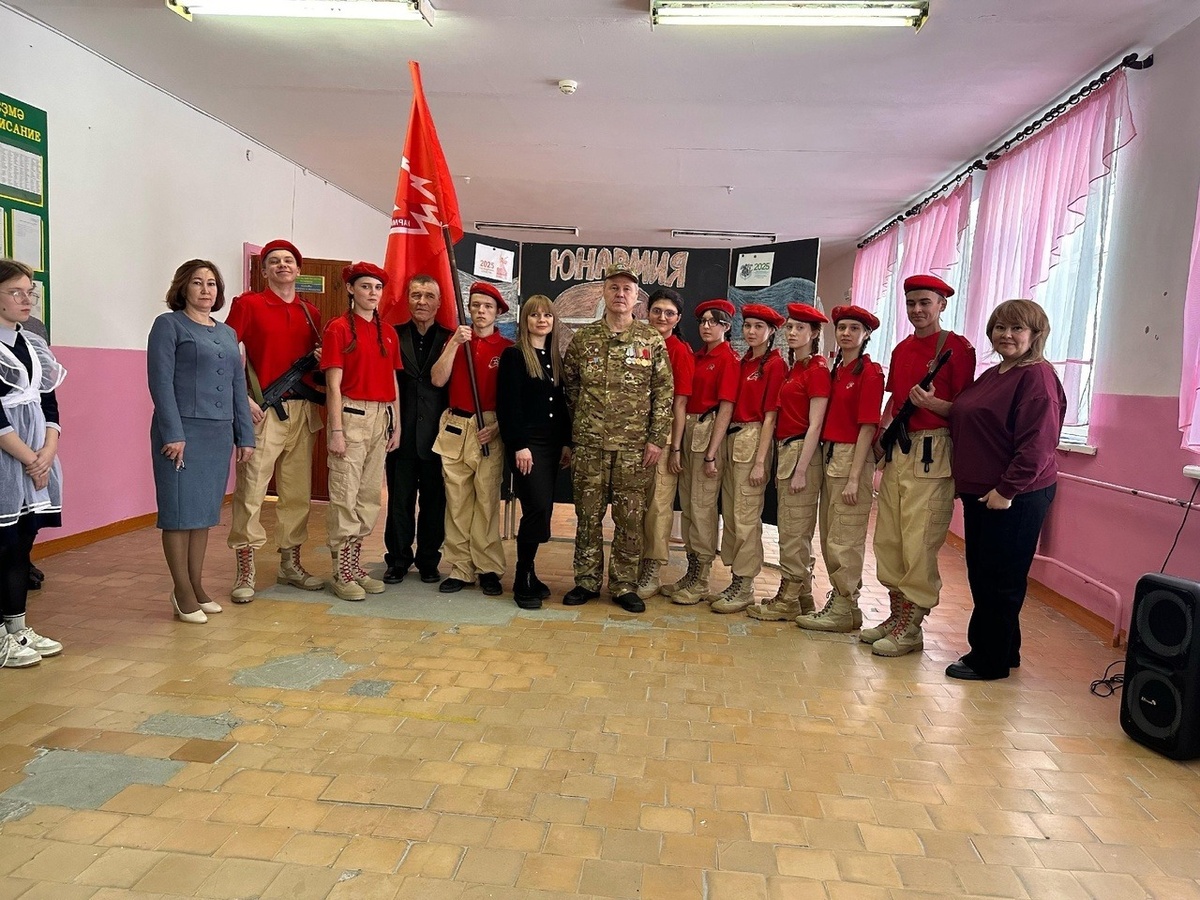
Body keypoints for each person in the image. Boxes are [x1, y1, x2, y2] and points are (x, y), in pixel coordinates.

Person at [946, 299, 1065, 681]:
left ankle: (988, 661)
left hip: (1014, 497)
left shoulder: (1037, 377)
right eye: (1000, 327)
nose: (1007, 335)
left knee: (998, 580)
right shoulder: (996, 373)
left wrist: (1007, 490)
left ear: (1035, 334)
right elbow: (973, 417)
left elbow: (1037, 445)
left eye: (1017, 328)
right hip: (983, 494)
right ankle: (1005, 649)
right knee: (985, 575)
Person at [865, 274, 976, 656]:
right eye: (911, 303)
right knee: (890, 537)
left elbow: (967, 409)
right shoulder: (902, 349)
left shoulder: (957, 348)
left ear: (942, 304)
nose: (917, 310)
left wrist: (932, 404)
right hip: (900, 448)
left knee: (919, 538)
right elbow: (895, 400)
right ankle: (897, 615)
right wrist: (881, 438)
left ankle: (911, 626)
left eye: (925, 302)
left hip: (934, 449)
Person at [148, 260, 255, 624]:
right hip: (183, 433)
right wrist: (173, 433)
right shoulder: (168, 325)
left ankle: (196, 585)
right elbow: (160, 382)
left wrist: (245, 435)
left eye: (212, 283)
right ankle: (181, 591)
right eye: (198, 282)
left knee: (203, 515)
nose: (206, 289)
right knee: (179, 514)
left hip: (218, 434)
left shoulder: (227, 332)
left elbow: (238, 387)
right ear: (183, 287)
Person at [562, 263, 673, 613]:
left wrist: (656, 439)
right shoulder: (584, 339)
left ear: (636, 297)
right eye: (613, 288)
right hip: (590, 446)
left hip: (634, 449)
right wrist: (580, 430)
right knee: (587, 517)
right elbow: (570, 388)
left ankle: (624, 584)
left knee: (630, 520)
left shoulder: (650, 340)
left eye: (627, 289)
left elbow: (664, 392)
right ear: (604, 292)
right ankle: (586, 581)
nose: (620, 294)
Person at [226, 239, 324, 602]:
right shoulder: (249, 304)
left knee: (296, 493)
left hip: (304, 411)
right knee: (251, 491)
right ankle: (245, 569)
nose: (282, 265)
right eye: (274, 261)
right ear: (264, 270)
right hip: (264, 411)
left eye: (288, 260)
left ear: (298, 270)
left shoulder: (311, 313)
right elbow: (224, 353)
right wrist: (242, 399)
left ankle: (290, 564)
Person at [796, 305, 883, 634]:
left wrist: (854, 478)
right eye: (842, 327)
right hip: (830, 455)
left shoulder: (869, 372)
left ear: (866, 334)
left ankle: (845, 604)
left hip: (851, 458)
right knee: (831, 535)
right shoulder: (838, 370)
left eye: (854, 328)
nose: (846, 333)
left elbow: (867, 428)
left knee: (846, 538)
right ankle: (845, 606)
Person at [322, 262, 403, 601]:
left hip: (381, 418)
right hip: (351, 415)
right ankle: (341, 571)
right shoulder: (338, 328)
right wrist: (336, 430)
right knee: (345, 493)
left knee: (369, 496)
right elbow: (333, 385)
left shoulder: (389, 332)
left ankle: (355, 565)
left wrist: (396, 423)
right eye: (366, 286)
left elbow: (393, 379)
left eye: (377, 287)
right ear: (351, 289)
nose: (372, 293)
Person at [0, 258, 64, 668]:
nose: (26, 300)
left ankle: (16, 626)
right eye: (15, 292)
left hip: (36, 454)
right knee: (1, 543)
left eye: (30, 293)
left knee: (22, 542)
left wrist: (48, 451)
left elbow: (48, 402)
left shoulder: (32, 342)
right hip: (9, 457)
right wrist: (29, 458)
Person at [749, 303, 830, 622]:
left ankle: (788, 598)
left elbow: (816, 424)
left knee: (795, 531)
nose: (793, 333)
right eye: (790, 327)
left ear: (814, 333)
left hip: (801, 452)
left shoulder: (817, 369)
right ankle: (802, 597)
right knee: (792, 527)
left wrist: (801, 470)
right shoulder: (795, 367)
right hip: (786, 450)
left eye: (800, 328)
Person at [431, 281, 512, 595]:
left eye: (487, 306)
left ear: (497, 312)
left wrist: (499, 426)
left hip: (488, 427)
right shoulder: (455, 341)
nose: (480, 311)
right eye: (475, 305)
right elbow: (438, 379)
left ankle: (487, 566)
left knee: (487, 500)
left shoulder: (507, 349)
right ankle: (460, 567)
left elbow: (514, 398)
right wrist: (454, 343)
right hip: (455, 424)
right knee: (457, 501)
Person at [496, 295, 572, 609]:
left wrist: (566, 442)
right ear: (525, 320)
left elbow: (561, 405)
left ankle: (530, 572)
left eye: (547, 316)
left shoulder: (555, 358)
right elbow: (508, 405)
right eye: (535, 315)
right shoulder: (514, 356)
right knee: (536, 507)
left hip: (552, 445)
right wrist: (519, 445)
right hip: (528, 445)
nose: (541, 320)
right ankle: (521, 577)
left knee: (544, 510)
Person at [662, 299, 739, 606]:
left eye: (714, 322)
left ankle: (702, 577)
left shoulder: (728, 359)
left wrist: (712, 453)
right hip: (690, 431)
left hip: (709, 435)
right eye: (703, 321)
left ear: (726, 326)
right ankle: (692, 570)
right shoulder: (698, 355)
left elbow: (726, 409)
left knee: (704, 507)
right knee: (690, 508)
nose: (707, 327)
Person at [710, 303, 786, 613]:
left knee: (746, 516)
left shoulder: (775, 364)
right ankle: (736, 579)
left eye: (759, 327)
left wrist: (759, 462)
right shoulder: (744, 362)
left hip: (753, 438)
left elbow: (770, 417)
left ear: (771, 331)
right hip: (733, 437)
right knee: (731, 513)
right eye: (748, 326)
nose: (751, 331)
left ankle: (745, 585)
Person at [382, 274, 451, 584]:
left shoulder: (451, 339)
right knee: (400, 502)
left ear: (439, 302)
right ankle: (397, 560)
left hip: (439, 437)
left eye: (429, 296)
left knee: (435, 503)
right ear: (407, 300)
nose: (422, 301)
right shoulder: (391, 336)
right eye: (416, 295)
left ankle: (428, 560)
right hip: (401, 434)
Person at [636, 288, 693, 601]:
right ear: (647, 312)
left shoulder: (679, 351)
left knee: (658, 506)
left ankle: (653, 569)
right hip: (633, 436)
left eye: (669, 313)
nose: (662, 317)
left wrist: (675, 447)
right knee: (636, 505)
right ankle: (635, 562)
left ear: (678, 318)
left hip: (664, 439)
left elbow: (680, 404)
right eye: (657, 310)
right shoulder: (638, 342)